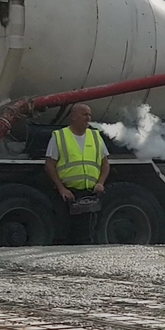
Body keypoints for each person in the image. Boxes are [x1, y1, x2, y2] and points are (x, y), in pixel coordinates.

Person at [44, 103, 111, 243]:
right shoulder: (60, 136)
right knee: (62, 234)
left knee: (86, 236)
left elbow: (105, 164)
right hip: (67, 195)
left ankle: (81, 264)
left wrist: (100, 183)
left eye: (90, 115)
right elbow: (50, 165)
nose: (88, 118)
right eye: (84, 114)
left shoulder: (95, 136)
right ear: (74, 117)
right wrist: (62, 189)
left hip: (88, 194)